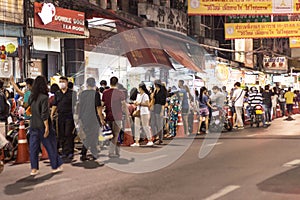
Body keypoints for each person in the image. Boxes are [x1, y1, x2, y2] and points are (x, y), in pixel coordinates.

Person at [28, 76, 63, 176]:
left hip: (33, 125)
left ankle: (34, 169)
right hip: (42, 126)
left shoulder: (32, 97)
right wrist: (47, 127)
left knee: (33, 148)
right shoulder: (44, 97)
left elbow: (26, 105)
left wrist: (14, 84)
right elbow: (44, 114)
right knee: (50, 146)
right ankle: (55, 166)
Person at [99, 76, 129, 158]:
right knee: (116, 135)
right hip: (118, 117)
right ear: (117, 83)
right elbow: (123, 105)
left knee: (110, 135)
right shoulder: (120, 93)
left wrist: (101, 116)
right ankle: (112, 152)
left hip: (108, 116)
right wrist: (127, 115)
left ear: (110, 82)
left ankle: (117, 151)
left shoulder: (105, 93)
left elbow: (101, 105)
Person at [78, 78, 104, 164]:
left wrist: (80, 118)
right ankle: (83, 152)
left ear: (87, 84)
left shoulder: (82, 94)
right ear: (94, 84)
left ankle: (94, 153)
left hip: (84, 117)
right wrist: (101, 119)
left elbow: (80, 106)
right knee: (91, 135)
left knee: (92, 135)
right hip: (93, 117)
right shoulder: (96, 94)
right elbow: (98, 107)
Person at [50, 76, 76, 161]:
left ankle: (70, 151)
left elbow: (76, 105)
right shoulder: (57, 93)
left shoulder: (72, 93)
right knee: (61, 134)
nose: (61, 83)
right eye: (60, 81)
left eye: (63, 81)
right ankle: (64, 152)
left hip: (70, 116)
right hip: (60, 116)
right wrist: (51, 114)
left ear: (67, 83)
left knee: (68, 133)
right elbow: (54, 105)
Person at [150, 80, 167, 144]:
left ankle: (160, 138)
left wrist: (162, 112)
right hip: (154, 109)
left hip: (159, 109)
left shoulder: (162, 92)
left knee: (159, 124)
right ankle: (155, 136)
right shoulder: (155, 91)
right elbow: (152, 98)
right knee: (153, 123)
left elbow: (163, 102)